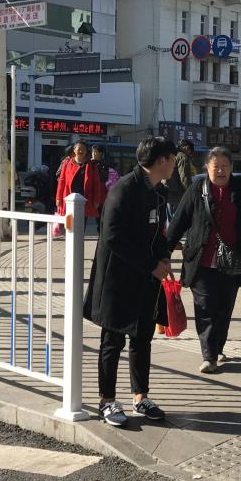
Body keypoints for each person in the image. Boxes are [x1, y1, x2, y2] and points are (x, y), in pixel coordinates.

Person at [84, 136, 177, 427]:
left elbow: (159, 232)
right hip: (117, 280)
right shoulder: (124, 189)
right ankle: (106, 401)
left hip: (145, 279)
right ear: (161, 160)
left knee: (142, 337)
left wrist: (163, 258)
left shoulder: (157, 191)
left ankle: (140, 397)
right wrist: (151, 265)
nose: (174, 165)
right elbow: (112, 236)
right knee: (112, 341)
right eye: (173, 159)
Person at [166, 147, 241, 373]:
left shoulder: (239, 189)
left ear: (231, 168)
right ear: (207, 168)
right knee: (205, 307)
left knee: (224, 309)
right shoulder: (196, 189)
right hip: (201, 261)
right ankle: (209, 356)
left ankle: (217, 347)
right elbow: (178, 222)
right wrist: (165, 253)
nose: (220, 171)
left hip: (231, 262)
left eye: (225, 166)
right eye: (216, 166)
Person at [54, 140, 106, 225]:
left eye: (83, 149)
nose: (81, 151)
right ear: (74, 150)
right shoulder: (67, 163)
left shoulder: (92, 165)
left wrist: (96, 200)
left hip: (84, 201)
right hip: (68, 199)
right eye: (79, 149)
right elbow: (61, 181)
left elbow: (96, 184)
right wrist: (58, 198)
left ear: (86, 151)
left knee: (81, 225)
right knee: (69, 225)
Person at [90, 145, 120, 229]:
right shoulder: (88, 164)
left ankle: (101, 233)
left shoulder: (105, 165)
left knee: (100, 219)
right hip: (90, 195)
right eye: (92, 152)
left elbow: (107, 180)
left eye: (95, 152)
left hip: (102, 195)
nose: (93, 154)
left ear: (100, 153)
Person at [165, 139, 194, 223]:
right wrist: (190, 194)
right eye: (190, 152)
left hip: (167, 193)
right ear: (187, 148)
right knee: (177, 221)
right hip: (177, 194)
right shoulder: (183, 157)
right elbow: (184, 178)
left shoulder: (170, 154)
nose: (190, 154)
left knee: (169, 221)